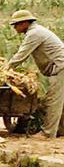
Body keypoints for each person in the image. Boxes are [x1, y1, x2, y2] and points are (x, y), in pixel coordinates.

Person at [7, 9, 64, 139]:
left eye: (16, 24)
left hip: (61, 67)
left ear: (25, 23)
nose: (15, 28)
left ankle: (48, 133)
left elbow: (21, 55)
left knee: (53, 101)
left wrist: (6, 68)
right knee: (60, 100)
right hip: (60, 66)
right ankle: (60, 130)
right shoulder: (36, 31)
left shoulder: (34, 33)